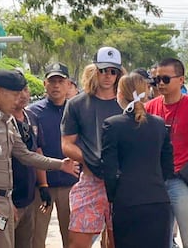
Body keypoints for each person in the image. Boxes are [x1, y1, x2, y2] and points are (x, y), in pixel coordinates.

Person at [0, 69, 78, 248]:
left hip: (6, 202)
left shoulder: (7, 121)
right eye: (15, 94)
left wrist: (60, 165)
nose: (19, 99)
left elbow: (25, 154)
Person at [145, 57, 188, 248]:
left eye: (165, 79)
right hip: (157, 182)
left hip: (183, 182)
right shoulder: (151, 107)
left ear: (181, 80)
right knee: (160, 240)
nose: (160, 84)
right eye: (156, 79)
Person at [101, 73, 174, 248]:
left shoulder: (112, 125)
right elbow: (168, 166)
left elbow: (109, 169)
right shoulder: (159, 124)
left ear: (120, 94)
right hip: (158, 201)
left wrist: (114, 196)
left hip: (128, 202)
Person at [61, 46, 124, 248]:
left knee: (120, 241)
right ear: (95, 70)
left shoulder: (128, 105)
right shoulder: (77, 104)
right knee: (77, 241)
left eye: (113, 71)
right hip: (90, 180)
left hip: (123, 182)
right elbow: (66, 144)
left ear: (119, 74)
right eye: (103, 70)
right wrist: (90, 160)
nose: (107, 76)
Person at [29, 62, 79, 248]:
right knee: (37, 237)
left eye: (60, 81)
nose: (56, 85)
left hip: (71, 183)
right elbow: (31, 149)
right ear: (45, 84)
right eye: (52, 81)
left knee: (72, 237)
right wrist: (41, 185)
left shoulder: (76, 109)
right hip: (42, 184)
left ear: (68, 84)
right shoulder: (33, 112)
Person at [11, 81, 41, 248]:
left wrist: (42, 186)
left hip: (29, 197)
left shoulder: (31, 117)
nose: (22, 94)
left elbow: (36, 152)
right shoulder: (0, 120)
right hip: (7, 201)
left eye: (25, 89)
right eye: (17, 90)